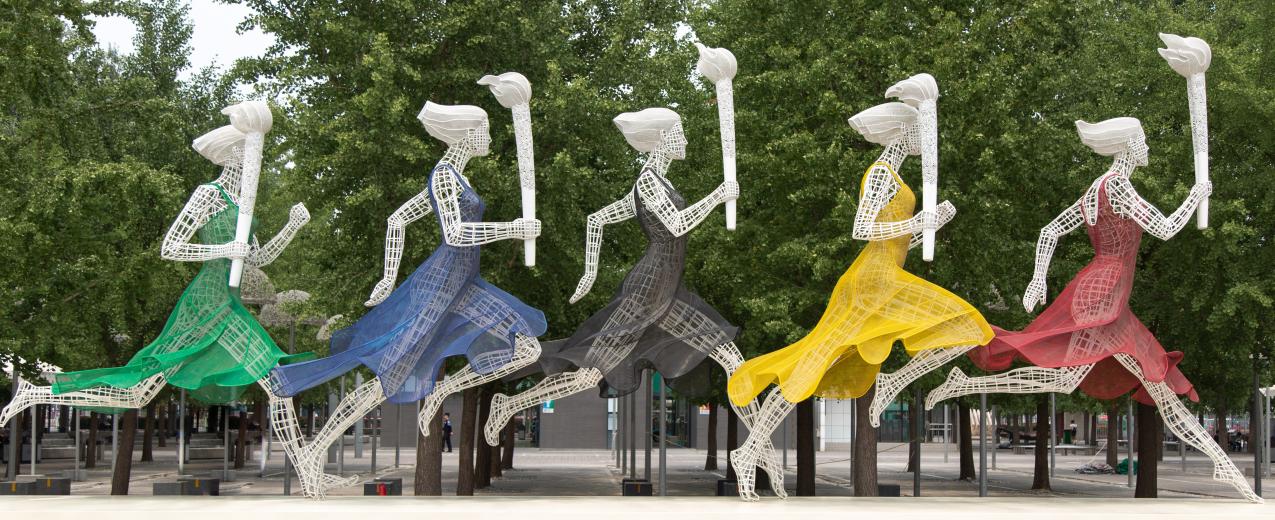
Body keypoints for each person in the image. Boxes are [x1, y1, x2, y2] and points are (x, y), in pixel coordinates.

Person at [725, 75, 993, 500]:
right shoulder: (882, 174)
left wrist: (928, 228)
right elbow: (863, 228)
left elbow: (896, 239)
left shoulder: (900, 181)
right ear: (903, 132)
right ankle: (749, 450)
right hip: (870, 282)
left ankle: (755, 446)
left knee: (966, 326)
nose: (926, 138)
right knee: (811, 366)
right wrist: (919, 222)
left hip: (885, 278)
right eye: (920, 130)